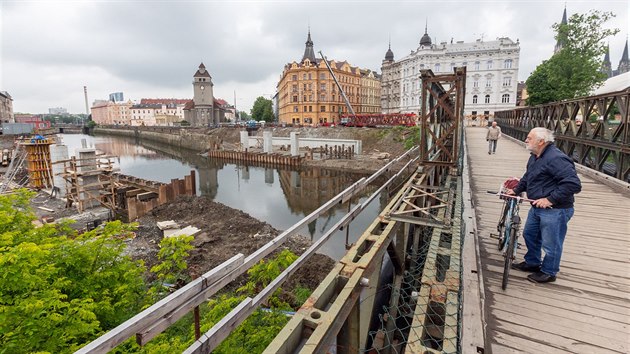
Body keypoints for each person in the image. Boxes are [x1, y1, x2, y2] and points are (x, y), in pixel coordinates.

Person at [506, 127, 582, 283]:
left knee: (551, 243)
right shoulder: (535, 156)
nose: (526, 140)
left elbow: (573, 184)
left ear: (541, 141)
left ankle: (549, 272)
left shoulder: (556, 158)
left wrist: (550, 199)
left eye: (529, 138)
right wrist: (516, 189)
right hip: (537, 206)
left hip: (555, 209)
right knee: (530, 234)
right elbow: (529, 177)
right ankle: (533, 262)